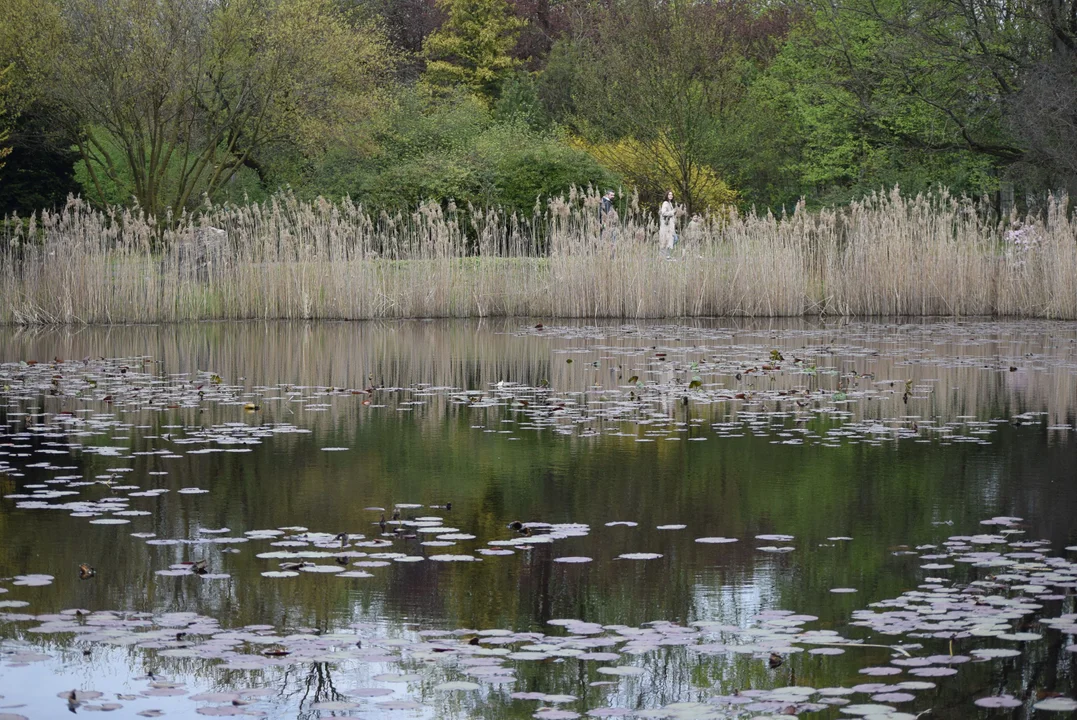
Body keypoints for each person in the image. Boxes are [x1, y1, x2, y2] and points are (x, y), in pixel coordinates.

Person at [659, 190, 677, 256]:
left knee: (672, 239)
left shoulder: (670, 203)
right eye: (669, 194)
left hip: (670, 226)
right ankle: (665, 256)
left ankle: (666, 255)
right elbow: (663, 213)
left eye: (672, 194)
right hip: (666, 226)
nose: (671, 196)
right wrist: (672, 212)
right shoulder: (666, 203)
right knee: (667, 240)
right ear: (666, 195)